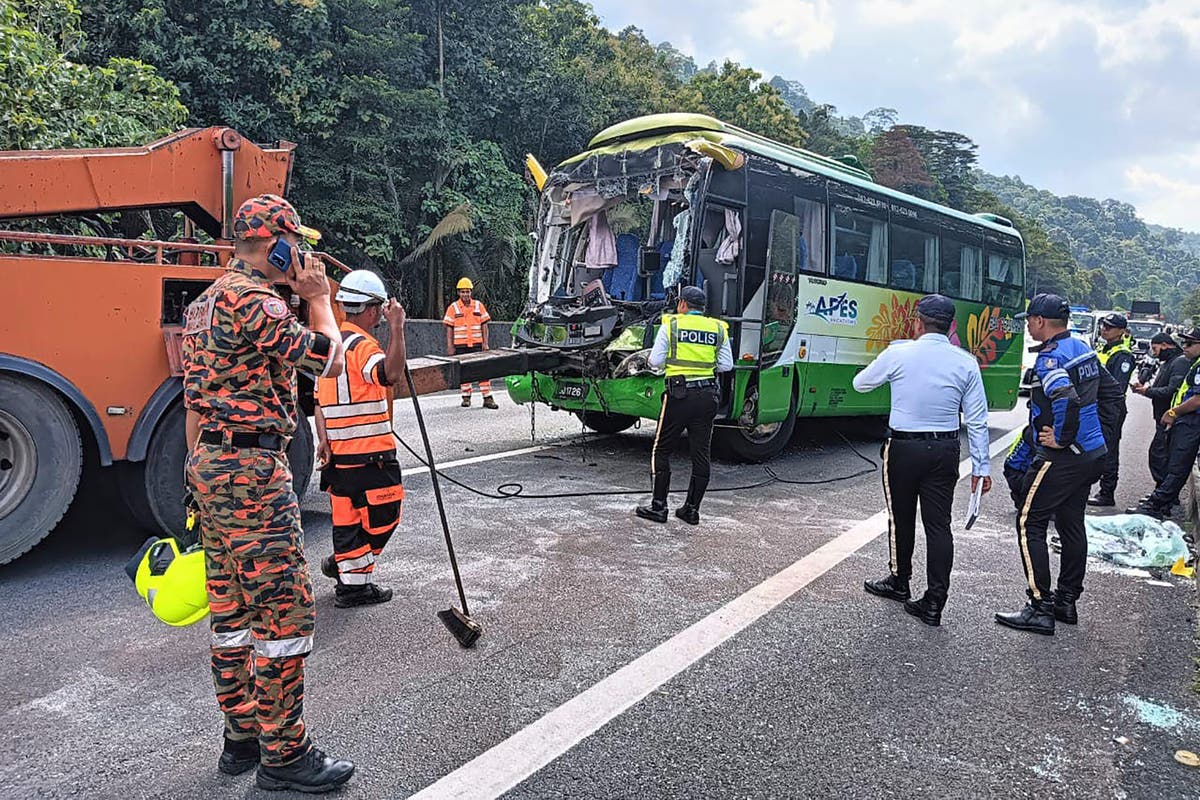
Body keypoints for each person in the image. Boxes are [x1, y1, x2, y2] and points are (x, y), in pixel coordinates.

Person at [182, 194, 355, 792]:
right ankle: (285, 757)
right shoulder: (255, 300)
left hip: (210, 462)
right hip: (251, 470)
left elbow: (189, 400)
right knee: (281, 613)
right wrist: (319, 300)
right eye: (296, 244)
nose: (303, 255)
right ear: (277, 243)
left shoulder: (206, 303)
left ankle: (242, 738)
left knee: (231, 611)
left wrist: (195, 474)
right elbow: (327, 361)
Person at [854, 294, 991, 627]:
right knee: (938, 525)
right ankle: (933, 602)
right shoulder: (966, 362)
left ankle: (900, 581)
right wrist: (981, 468)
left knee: (901, 517)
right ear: (952, 327)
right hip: (945, 450)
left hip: (903, 448)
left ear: (917, 322)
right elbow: (977, 419)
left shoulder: (899, 352)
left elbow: (861, 384)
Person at [995, 293, 1106, 636]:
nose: (1028, 325)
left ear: (1040, 321)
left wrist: (1061, 438)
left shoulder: (1051, 359)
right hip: (1091, 452)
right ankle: (1066, 601)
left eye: (1029, 319)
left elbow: (1066, 400)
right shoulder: (1082, 349)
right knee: (1072, 525)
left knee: (1030, 522)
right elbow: (1112, 393)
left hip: (1063, 456)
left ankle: (1039, 606)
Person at [313, 270, 407, 608]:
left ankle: (352, 587)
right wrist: (397, 328)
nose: (380, 314)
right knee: (386, 514)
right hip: (369, 456)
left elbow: (318, 402)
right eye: (379, 308)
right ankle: (346, 566)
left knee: (348, 520)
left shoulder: (330, 347)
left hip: (339, 458)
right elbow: (390, 374)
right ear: (369, 309)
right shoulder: (362, 346)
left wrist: (323, 440)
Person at [636, 285, 733, 525]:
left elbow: (656, 361)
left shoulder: (672, 325)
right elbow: (726, 365)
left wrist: (666, 363)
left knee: (662, 449)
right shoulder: (718, 328)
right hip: (708, 396)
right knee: (701, 453)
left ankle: (659, 507)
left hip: (679, 395)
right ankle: (691, 509)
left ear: (682, 305)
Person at [1127, 327, 1200, 519]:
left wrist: (1173, 412)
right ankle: (1160, 502)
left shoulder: (1186, 364)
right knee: (1168, 461)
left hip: (1190, 421)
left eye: (1190, 343)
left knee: (1175, 466)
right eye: (1183, 342)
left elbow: (1196, 399)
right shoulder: (1191, 363)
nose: (1185, 347)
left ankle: (1158, 504)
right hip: (1183, 420)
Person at [1131, 332, 1190, 489]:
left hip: (1172, 418)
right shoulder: (1169, 361)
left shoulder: (1180, 362)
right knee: (1161, 456)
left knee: (1160, 457)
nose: (1155, 353)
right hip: (1163, 418)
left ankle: (1163, 496)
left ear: (1165, 345)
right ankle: (1162, 493)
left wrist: (1147, 391)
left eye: (1156, 349)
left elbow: (1172, 390)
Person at [1088, 314, 1135, 506]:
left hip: (1111, 407)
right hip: (1097, 404)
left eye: (1110, 327)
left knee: (1108, 449)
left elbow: (1117, 387)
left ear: (1121, 331)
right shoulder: (1104, 349)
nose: (1104, 329)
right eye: (1104, 326)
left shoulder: (1122, 355)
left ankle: (1107, 492)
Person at [443, 277, 497, 408]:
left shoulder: (478, 306)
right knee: (464, 372)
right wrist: (450, 346)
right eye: (463, 292)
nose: (465, 294)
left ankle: (487, 397)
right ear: (458, 293)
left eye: (467, 292)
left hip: (477, 344)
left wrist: (485, 343)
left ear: (471, 292)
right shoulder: (453, 308)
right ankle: (466, 397)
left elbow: (484, 326)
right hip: (460, 346)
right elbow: (449, 328)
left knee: (483, 370)